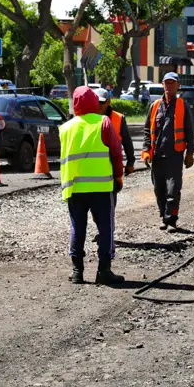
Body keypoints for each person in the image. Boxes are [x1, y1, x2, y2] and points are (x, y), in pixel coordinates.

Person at [60, 86, 125, 285]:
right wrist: (118, 177)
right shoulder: (103, 122)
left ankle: (77, 272)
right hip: (101, 189)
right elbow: (115, 152)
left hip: (75, 188)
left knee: (77, 229)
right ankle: (103, 271)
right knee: (106, 230)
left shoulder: (66, 128)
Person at [142, 72, 194, 232]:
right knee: (159, 190)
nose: (168, 86)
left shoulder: (182, 105)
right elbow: (147, 129)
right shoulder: (155, 106)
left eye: (172, 83)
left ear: (178, 85)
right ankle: (163, 216)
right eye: (166, 83)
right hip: (157, 156)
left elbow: (190, 131)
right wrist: (146, 149)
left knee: (173, 190)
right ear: (163, 85)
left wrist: (190, 153)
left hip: (174, 155)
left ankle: (171, 220)